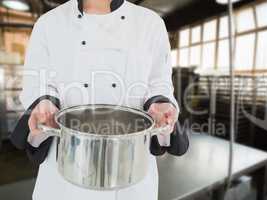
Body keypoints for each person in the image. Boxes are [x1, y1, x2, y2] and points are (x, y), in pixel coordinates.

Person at [10, 0, 189, 199]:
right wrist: (44, 106)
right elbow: (37, 84)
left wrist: (161, 106)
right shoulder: (48, 24)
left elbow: (159, 83)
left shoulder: (150, 23)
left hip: (131, 172)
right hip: (64, 173)